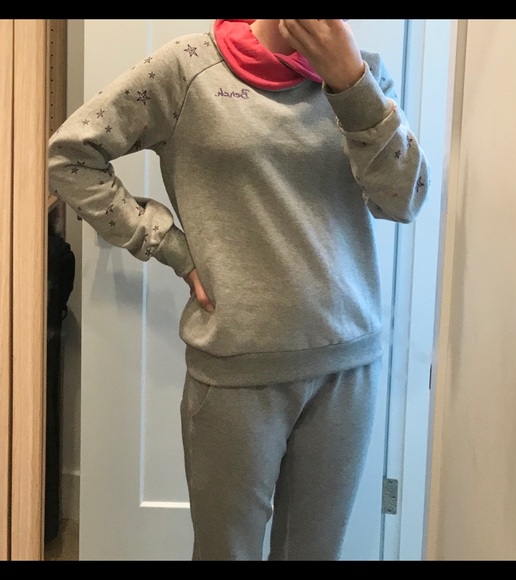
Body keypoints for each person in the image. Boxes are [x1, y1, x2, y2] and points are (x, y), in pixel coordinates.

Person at [48, 19, 430, 561]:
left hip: (347, 369)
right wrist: (168, 246)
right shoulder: (187, 68)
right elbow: (71, 156)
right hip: (234, 370)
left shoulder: (363, 74)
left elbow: (404, 200)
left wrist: (352, 85)